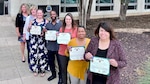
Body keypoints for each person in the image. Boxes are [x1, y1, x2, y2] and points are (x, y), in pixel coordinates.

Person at [58, 13, 77, 84]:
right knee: (63, 70)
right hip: (62, 52)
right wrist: (58, 37)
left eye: (69, 19)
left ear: (72, 20)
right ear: (64, 20)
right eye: (66, 19)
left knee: (71, 70)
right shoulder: (61, 29)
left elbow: (77, 40)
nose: (68, 20)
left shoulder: (75, 29)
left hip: (72, 52)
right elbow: (59, 40)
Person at [28, 9, 48, 77]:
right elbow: (28, 30)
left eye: (40, 13)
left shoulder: (46, 21)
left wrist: (44, 31)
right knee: (34, 55)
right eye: (38, 13)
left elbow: (48, 31)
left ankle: (42, 70)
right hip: (34, 41)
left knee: (42, 55)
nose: (39, 14)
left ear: (42, 14)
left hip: (42, 41)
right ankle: (35, 69)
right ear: (36, 14)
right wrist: (29, 27)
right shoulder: (32, 21)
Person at [45, 11, 63, 83]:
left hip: (58, 47)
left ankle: (60, 76)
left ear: (56, 15)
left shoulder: (60, 24)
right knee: (51, 62)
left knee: (59, 63)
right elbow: (45, 33)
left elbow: (63, 34)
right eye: (51, 14)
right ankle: (53, 74)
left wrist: (60, 34)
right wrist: (44, 31)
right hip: (50, 46)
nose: (53, 15)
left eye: (54, 14)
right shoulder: (48, 24)